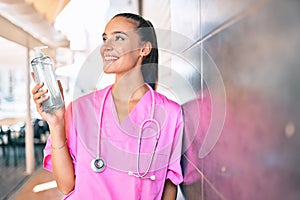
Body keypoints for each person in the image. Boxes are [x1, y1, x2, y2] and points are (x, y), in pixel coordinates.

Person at [32, 13, 183, 200]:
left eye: (119, 38)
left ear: (144, 48)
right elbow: (65, 186)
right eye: (105, 38)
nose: (106, 47)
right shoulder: (80, 109)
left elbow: (169, 184)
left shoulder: (170, 114)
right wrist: (56, 124)